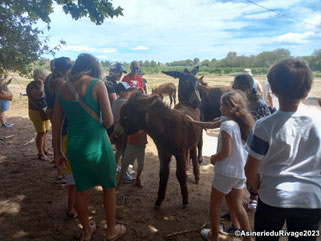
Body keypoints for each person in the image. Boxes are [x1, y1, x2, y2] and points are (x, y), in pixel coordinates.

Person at [245, 58, 321, 241]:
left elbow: (250, 169)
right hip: (310, 200)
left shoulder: (264, 126)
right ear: (307, 90)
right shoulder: (319, 120)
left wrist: (255, 188)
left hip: (272, 199)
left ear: (273, 90)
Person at [52, 53, 126, 241]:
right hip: (98, 144)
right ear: (94, 68)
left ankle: (87, 230)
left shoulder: (63, 89)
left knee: (80, 189)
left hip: (74, 146)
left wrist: (58, 152)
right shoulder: (97, 84)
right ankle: (111, 231)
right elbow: (109, 120)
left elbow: (56, 124)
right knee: (109, 186)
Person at [189, 90, 254, 241]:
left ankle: (214, 235)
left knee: (215, 203)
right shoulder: (241, 122)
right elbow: (212, 124)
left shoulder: (227, 126)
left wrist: (213, 158)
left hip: (226, 171)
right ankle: (248, 238)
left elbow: (225, 152)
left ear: (229, 107)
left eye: (222, 105)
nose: (220, 108)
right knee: (238, 206)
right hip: (239, 172)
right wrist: (194, 122)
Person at [26, 69, 51, 161]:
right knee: (41, 132)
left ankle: (44, 150)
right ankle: (40, 153)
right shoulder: (32, 85)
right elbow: (38, 96)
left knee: (46, 131)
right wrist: (41, 86)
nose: (47, 78)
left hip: (44, 110)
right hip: (36, 112)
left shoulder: (45, 85)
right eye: (46, 76)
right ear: (41, 77)